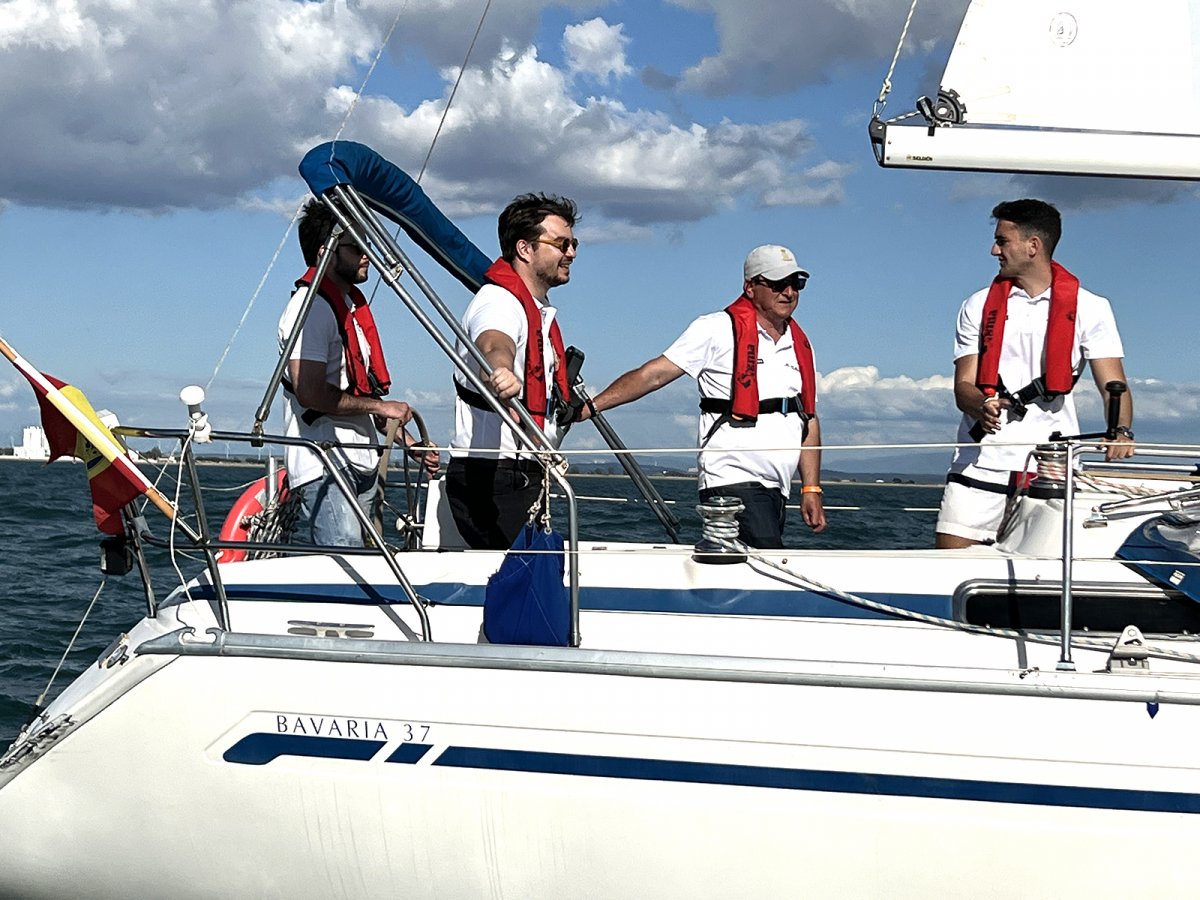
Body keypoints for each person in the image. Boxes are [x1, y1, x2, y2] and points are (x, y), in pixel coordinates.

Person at [583, 245, 827, 549]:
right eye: (778, 284)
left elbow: (807, 419)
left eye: (796, 284)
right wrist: (591, 407)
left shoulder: (801, 345)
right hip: (731, 478)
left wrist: (811, 488)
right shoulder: (715, 329)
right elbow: (653, 374)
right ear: (750, 287)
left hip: (777, 487)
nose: (789, 292)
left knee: (748, 574)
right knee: (767, 565)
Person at [935, 198, 1134, 549]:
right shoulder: (977, 305)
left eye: (1002, 241)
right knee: (953, 573)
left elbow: (1113, 385)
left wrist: (1120, 431)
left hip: (1052, 466)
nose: (993, 249)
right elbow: (963, 386)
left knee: (1041, 581)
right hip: (980, 463)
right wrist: (981, 405)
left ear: (1033, 246)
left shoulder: (1092, 307)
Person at [278, 198, 438, 547]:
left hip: (360, 460)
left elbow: (361, 396)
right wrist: (383, 408)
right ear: (325, 253)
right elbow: (310, 393)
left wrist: (411, 446)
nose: (367, 254)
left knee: (367, 563)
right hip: (325, 462)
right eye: (356, 246)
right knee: (346, 565)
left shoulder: (349, 310)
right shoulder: (311, 311)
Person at [446, 192, 579, 550]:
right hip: (495, 477)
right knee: (520, 580)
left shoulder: (536, 309)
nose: (571, 253)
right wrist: (501, 369)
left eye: (573, 243)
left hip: (519, 472)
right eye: (561, 243)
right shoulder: (499, 302)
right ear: (524, 249)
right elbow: (494, 340)